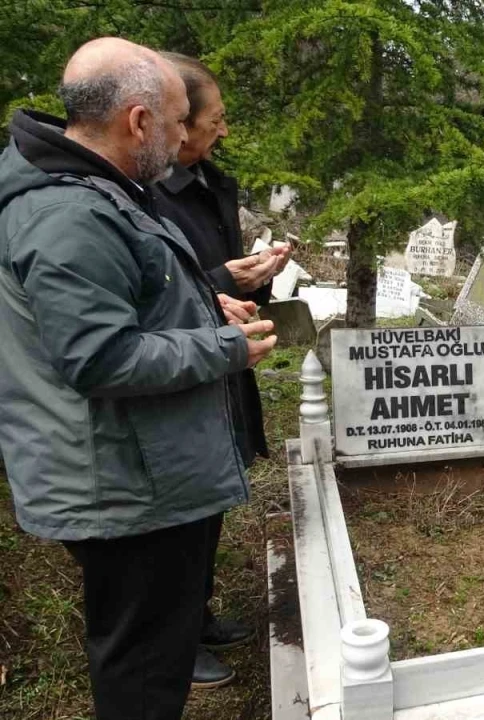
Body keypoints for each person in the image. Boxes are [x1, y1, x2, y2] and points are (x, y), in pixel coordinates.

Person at [0, 38, 276, 720]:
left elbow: (122, 300)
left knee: (154, 649)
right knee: (144, 672)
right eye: (181, 120)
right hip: (121, 487)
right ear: (138, 122)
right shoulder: (69, 214)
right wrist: (222, 348)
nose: (188, 136)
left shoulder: (99, 193)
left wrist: (203, 296)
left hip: (136, 473)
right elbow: (100, 358)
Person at [151, 51, 284, 689]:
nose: (219, 132)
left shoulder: (206, 183)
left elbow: (205, 274)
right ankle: (171, 642)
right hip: (179, 369)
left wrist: (250, 274)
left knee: (208, 505)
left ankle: (196, 616)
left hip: (216, 357)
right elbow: (154, 295)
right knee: (176, 518)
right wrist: (219, 281)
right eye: (211, 120)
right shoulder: (143, 193)